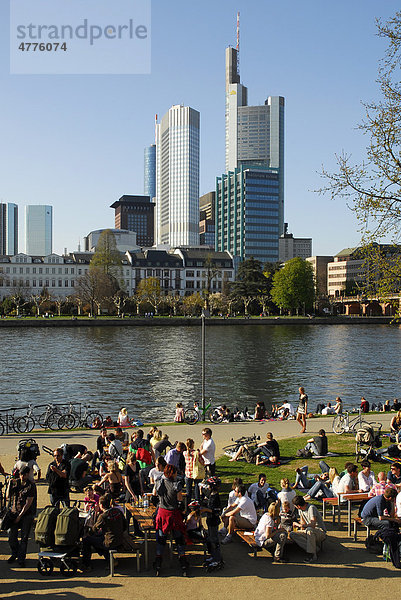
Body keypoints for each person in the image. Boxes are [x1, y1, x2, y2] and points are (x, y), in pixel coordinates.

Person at [153, 464, 188, 576]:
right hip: (173, 514)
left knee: (161, 539)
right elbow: (180, 502)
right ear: (171, 473)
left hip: (162, 513)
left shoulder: (159, 482)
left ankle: (158, 561)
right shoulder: (176, 484)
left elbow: (154, 496)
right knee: (179, 538)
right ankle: (182, 560)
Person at [82, 493, 127, 571]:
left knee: (87, 540)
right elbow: (125, 524)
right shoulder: (117, 511)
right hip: (119, 538)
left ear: (101, 505)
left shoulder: (103, 516)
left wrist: (87, 533)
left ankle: (87, 565)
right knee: (98, 538)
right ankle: (109, 559)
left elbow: (94, 530)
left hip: (110, 541)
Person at [6, 465, 37, 566]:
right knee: (11, 536)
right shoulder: (15, 483)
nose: (22, 476)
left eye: (24, 474)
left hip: (26, 514)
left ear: (28, 474)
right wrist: (9, 485)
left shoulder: (30, 486)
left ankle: (21, 558)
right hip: (14, 512)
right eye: (20, 474)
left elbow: (28, 503)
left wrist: (20, 516)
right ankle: (15, 553)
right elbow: (8, 496)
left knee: (24, 538)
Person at [291, 495, 327, 563]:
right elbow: (302, 523)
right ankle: (314, 549)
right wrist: (298, 527)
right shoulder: (300, 510)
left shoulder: (311, 508)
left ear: (298, 506)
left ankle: (312, 555)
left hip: (319, 531)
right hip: (308, 530)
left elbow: (313, 524)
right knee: (293, 534)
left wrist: (301, 525)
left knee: (310, 530)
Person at [201, 476, 223, 568]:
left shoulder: (215, 497)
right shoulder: (211, 495)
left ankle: (217, 559)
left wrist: (205, 509)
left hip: (214, 521)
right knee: (210, 538)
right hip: (210, 520)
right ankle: (213, 556)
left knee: (214, 540)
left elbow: (216, 510)